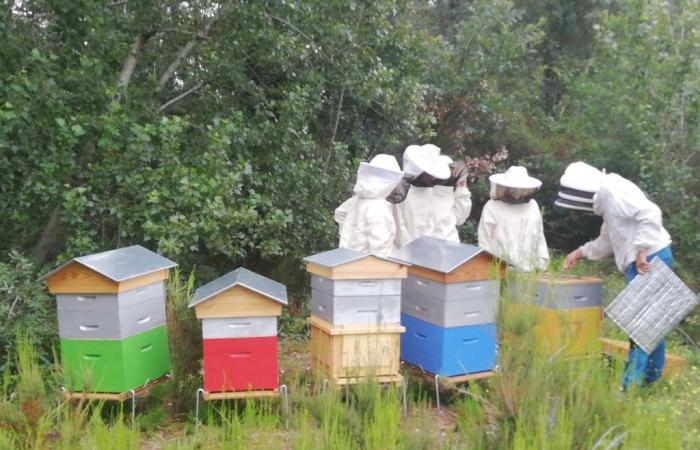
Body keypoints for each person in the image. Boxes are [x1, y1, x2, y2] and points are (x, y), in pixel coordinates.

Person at [558, 161, 672, 390]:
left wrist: (641, 250)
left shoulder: (615, 192)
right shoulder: (610, 196)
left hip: (648, 259)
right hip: (647, 258)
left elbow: (651, 213)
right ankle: (650, 378)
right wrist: (579, 252)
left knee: (639, 326)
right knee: (651, 323)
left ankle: (629, 387)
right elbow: (609, 239)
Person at [392, 144, 471, 247]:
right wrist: (409, 249)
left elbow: (429, 223)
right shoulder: (401, 190)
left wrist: (462, 191)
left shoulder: (429, 190)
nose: (433, 178)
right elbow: (400, 228)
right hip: (412, 250)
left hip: (437, 247)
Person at [477, 166, 549, 272]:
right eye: (512, 188)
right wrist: (489, 267)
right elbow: (484, 240)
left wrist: (542, 263)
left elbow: (539, 235)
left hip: (529, 270)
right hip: (500, 270)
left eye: (519, 188)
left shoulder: (533, 206)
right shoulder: (492, 207)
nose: (515, 191)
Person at [334, 154, 404, 257]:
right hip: (366, 268)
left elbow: (339, 213)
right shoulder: (379, 209)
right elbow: (380, 252)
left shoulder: (359, 200)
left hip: (346, 259)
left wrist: (347, 235)